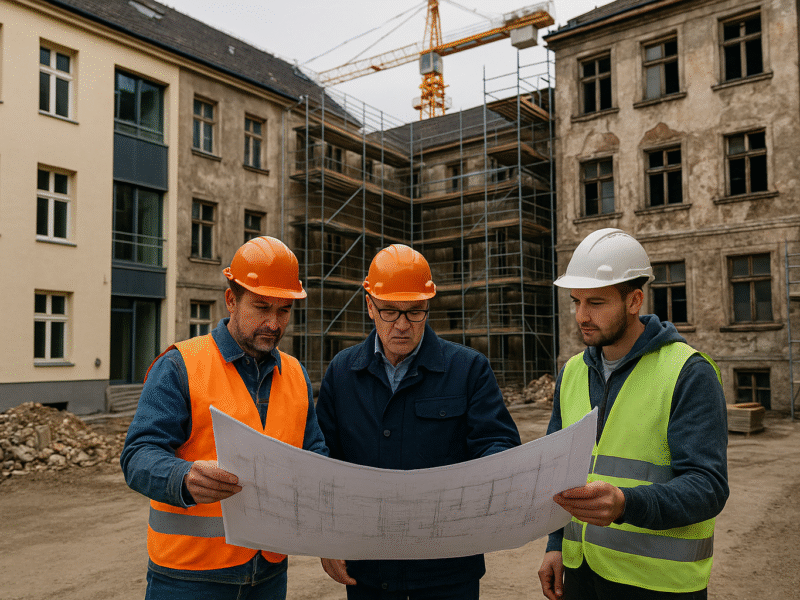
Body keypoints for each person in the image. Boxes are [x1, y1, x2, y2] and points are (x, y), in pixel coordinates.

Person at [120, 236, 328, 600]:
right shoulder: (180, 365)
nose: (273, 323)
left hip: (269, 572)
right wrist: (182, 477)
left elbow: (313, 451)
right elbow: (138, 455)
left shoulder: (295, 373)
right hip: (189, 578)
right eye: (261, 307)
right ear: (231, 300)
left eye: (283, 311)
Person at [315, 243, 521, 599]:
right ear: (369, 305)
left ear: (428, 305)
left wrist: (486, 473)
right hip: (369, 567)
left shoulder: (468, 369)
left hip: (448, 566)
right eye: (390, 312)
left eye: (414, 312)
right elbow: (323, 462)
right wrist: (327, 536)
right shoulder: (342, 373)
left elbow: (498, 444)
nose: (402, 325)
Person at [537, 228, 729, 600]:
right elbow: (557, 472)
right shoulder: (573, 371)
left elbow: (708, 487)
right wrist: (554, 545)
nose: (581, 316)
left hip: (657, 584)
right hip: (582, 573)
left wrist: (626, 503)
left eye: (595, 302)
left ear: (634, 300)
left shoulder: (688, 372)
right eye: (576, 301)